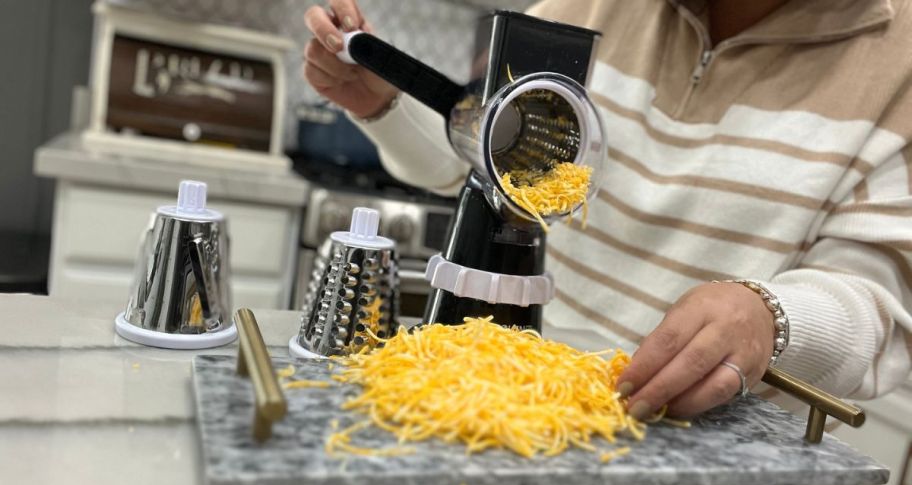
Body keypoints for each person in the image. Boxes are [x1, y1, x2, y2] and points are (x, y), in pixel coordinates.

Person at [302, 0, 912, 419]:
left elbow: (878, 304)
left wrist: (771, 318)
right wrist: (383, 105)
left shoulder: (897, 61)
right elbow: (480, 165)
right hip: (530, 407)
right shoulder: (593, 7)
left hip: (711, 453)